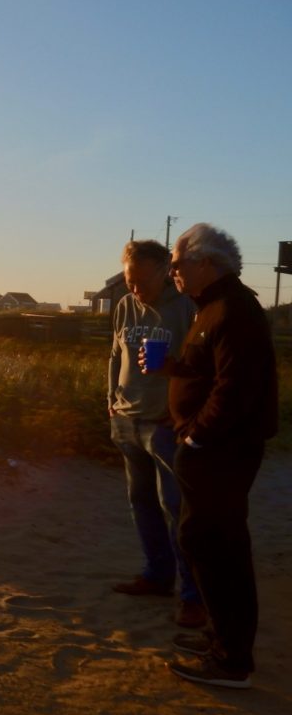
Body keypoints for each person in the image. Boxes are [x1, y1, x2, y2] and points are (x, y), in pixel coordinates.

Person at [163, 223, 278, 689]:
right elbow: (207, 370)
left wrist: (196, 437)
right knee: (204, 542)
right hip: (211, 449)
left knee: (218, 547)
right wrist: (176, 368)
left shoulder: (234, 309)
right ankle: (220, 639)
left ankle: (231, 661)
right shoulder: (209, 308)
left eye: (177, 263)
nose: (173, 271)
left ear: (206, 263)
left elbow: (236, 388)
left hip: (220, 451)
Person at [108, 240, 204, 628]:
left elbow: (203, 365)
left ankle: (193, 596)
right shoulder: (125, 306)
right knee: (142, 503)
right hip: (126, 420)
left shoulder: (186, 306)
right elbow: (115, 355)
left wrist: (185, 411)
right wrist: (110, 399)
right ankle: (156, 575)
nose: (134, 288)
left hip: (165, 426)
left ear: (164, 270)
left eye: (140, 280)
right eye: (129, 280)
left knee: (176, 509)